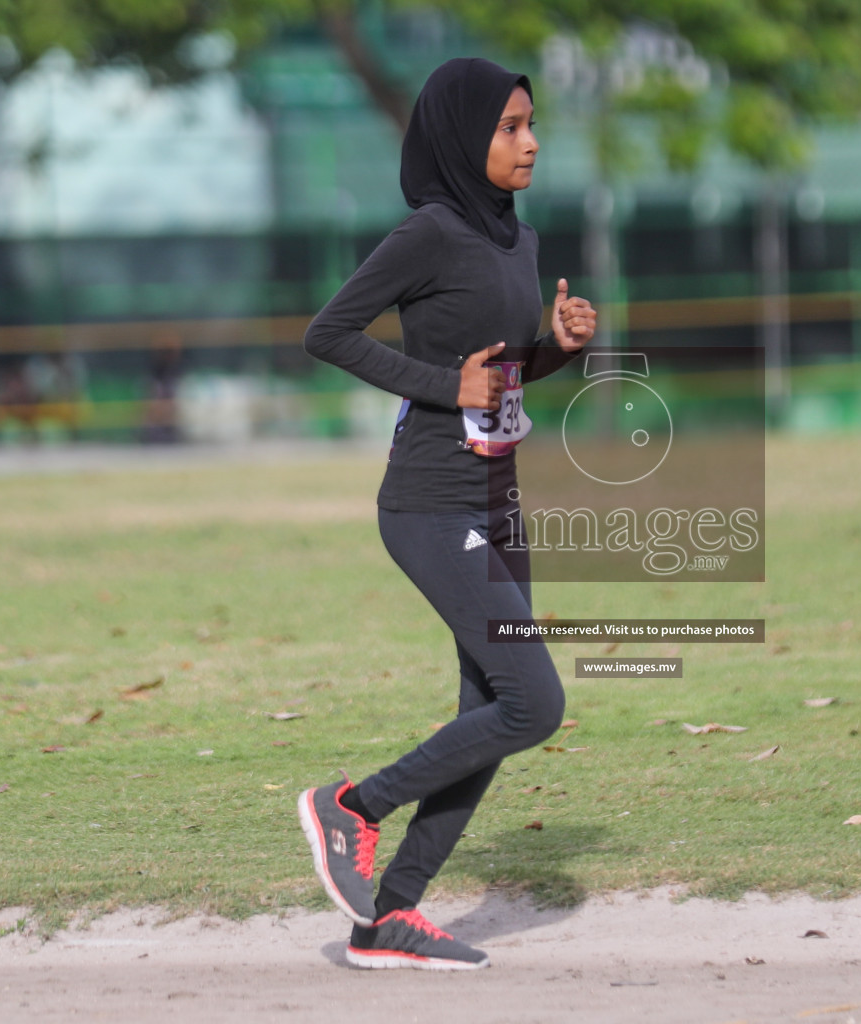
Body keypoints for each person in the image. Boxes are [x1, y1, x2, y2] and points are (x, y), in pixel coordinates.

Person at [296, 58, 596, 971]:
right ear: (467, 138)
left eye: (531, 124)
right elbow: (328, 332)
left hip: (499, 496)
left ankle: (389, 919)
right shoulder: (427, 234)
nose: (530, 141)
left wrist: (558, 348)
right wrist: (439, 382)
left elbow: (497, 376)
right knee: (533, 702)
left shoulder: (519, 240)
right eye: (508, 128)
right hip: (428, 501)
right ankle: (350, 805)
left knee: (490, 708)